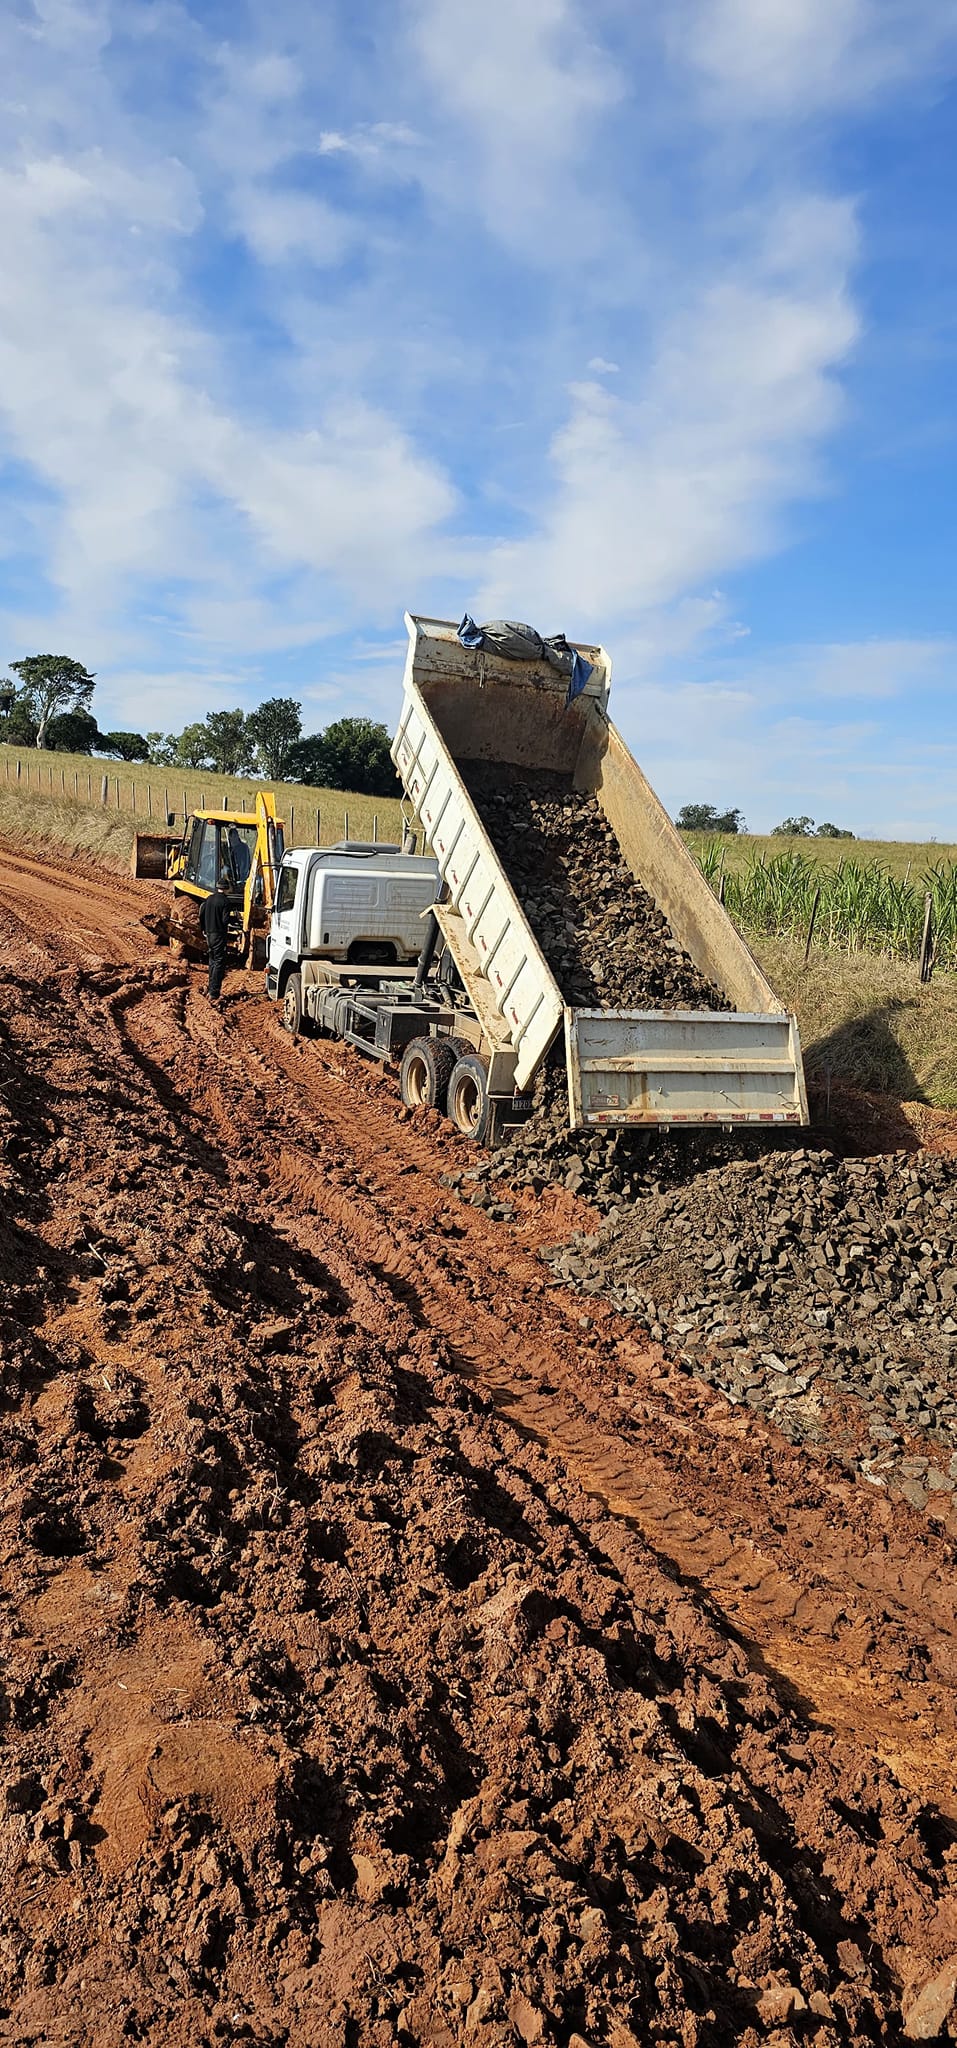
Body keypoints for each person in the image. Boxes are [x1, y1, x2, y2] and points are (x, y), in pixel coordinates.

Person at [199, 873, 232, 1004]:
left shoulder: (209, 899)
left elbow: (201, 915)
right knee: (219, 962)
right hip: (219, 935)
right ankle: (214, 992)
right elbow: (225, 921)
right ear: (226, 889)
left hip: (209, 934)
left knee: (212, 960)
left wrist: (204, 929)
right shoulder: (225, 902)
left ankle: (210, 987)